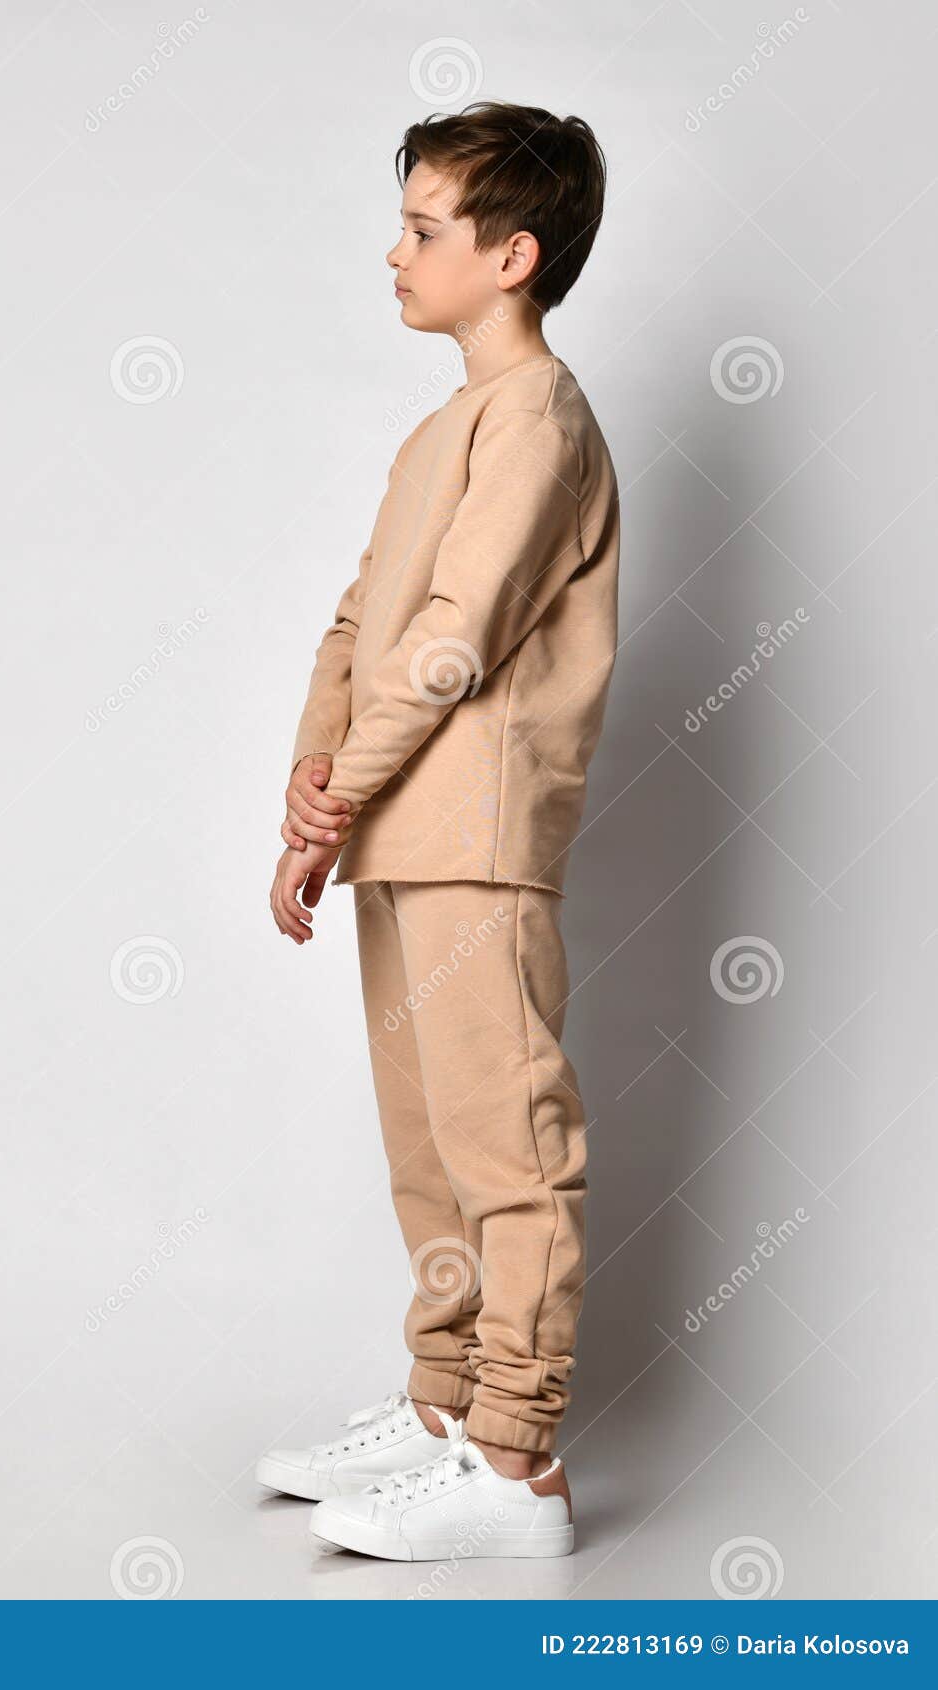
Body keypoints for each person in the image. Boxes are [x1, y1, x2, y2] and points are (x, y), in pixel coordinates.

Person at [259, 100, 620, 1562]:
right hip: (397, 829)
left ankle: (519, 1465)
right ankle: (440, 1408)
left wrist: (345, 785)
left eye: (425, 228)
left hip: (470, 826)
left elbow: (458, 635)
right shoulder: (441, 428)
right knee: (430, 1150)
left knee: (507, 1145)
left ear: (512, 256)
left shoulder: (539, 418)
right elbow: (362, 619)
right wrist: (311, 785)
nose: (395, 252)